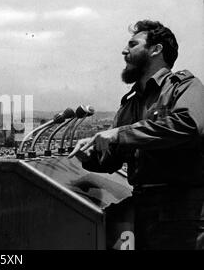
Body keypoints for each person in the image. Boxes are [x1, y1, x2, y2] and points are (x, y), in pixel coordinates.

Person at [68, 20, 204, 250]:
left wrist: (118, 134)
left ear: (156, 49)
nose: (124, 50)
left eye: (133, 44)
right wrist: (89, 155)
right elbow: (112, 160)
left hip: (182, 213)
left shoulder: (184, 86)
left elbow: (189, 125)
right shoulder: (129, 105)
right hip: (143, 211)